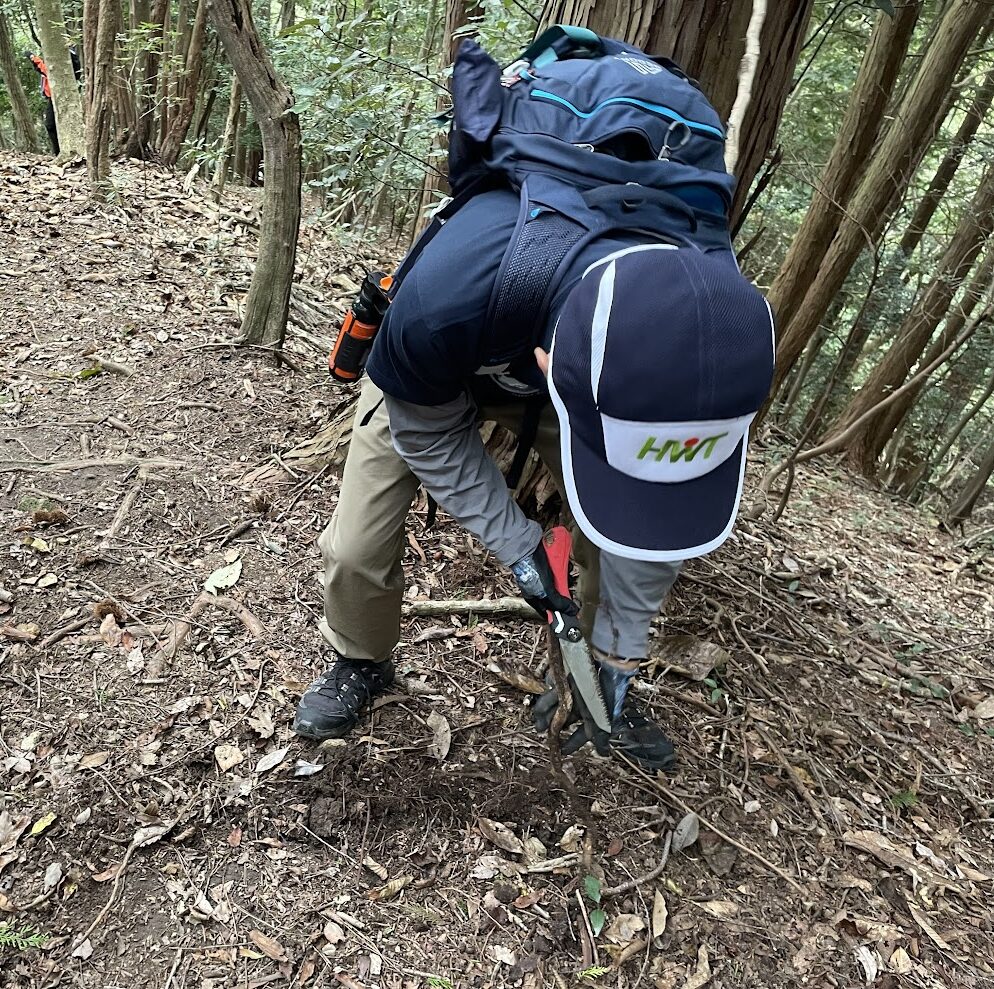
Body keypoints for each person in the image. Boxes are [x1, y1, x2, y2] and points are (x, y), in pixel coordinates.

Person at [292, 182, 775, 769]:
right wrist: (522, 549)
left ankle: (591, 678)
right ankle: (361, 659)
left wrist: (621, 653)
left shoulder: (711, 338)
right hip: (436, 377)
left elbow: (658, 528)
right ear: (549, 362)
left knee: (619, 540)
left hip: (589, 391)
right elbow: (427, 436)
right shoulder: (442, 303)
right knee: (356, 546)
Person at [25, 47, 80, 155]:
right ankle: (59, 152)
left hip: (63, 95)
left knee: (54, 124)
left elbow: (47, 71)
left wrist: (33, 58)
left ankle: (63, 151)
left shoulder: (68, 56)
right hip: (54, 96)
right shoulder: (62, 55)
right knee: (52, 125)